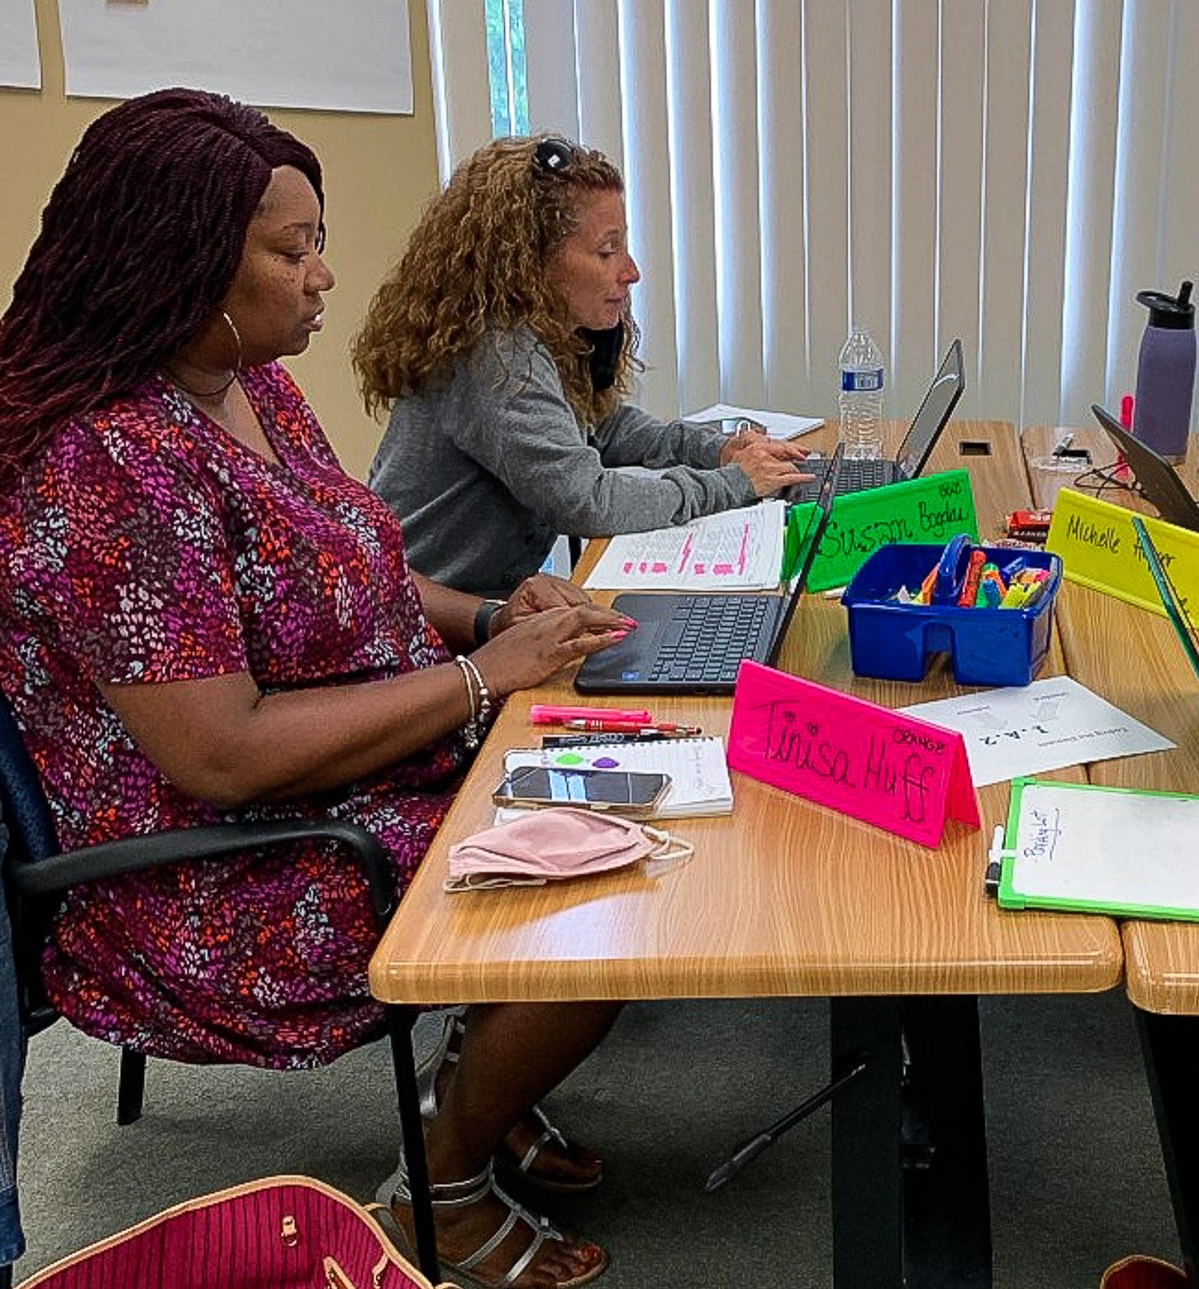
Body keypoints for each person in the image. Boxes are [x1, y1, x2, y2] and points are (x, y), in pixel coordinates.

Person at [0, 90, 634, 1289]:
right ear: (176, 265)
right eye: (291, 252)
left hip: (350, 766)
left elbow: (366, 567)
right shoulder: (106, 465)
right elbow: (220, 752)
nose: (324, 277)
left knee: (620, 775)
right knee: (596, 898)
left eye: (317, 241)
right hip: (222, 862)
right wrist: (474, 676)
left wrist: (497, 615)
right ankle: (439, 1177)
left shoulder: (247, 381)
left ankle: (478, 1090)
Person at [357, 134, 811, 598]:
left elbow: (602, 425)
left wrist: (717, 450)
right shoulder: (496, 355)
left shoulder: (538, 331)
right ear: (531, 262)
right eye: (606, 251)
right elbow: (587, 499)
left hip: (476, 605)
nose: (630, 271)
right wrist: (733, 484)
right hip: (416, 625)